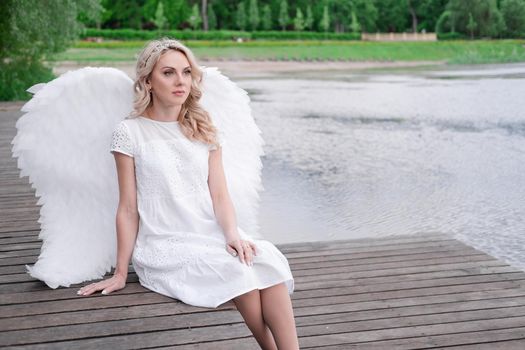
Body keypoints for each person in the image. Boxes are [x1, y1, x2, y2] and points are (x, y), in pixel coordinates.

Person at [75, 38, 300, 349]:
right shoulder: (129, 132)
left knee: (267, 261)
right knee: (240, 273)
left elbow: (220, 196)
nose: (180, 81)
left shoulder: (203, 128)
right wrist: (120, 271)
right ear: (148, 81)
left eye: (186, 72)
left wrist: (232, 234)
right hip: (164, 241)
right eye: (168, 73)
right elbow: (127, 208)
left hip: (209, 232)